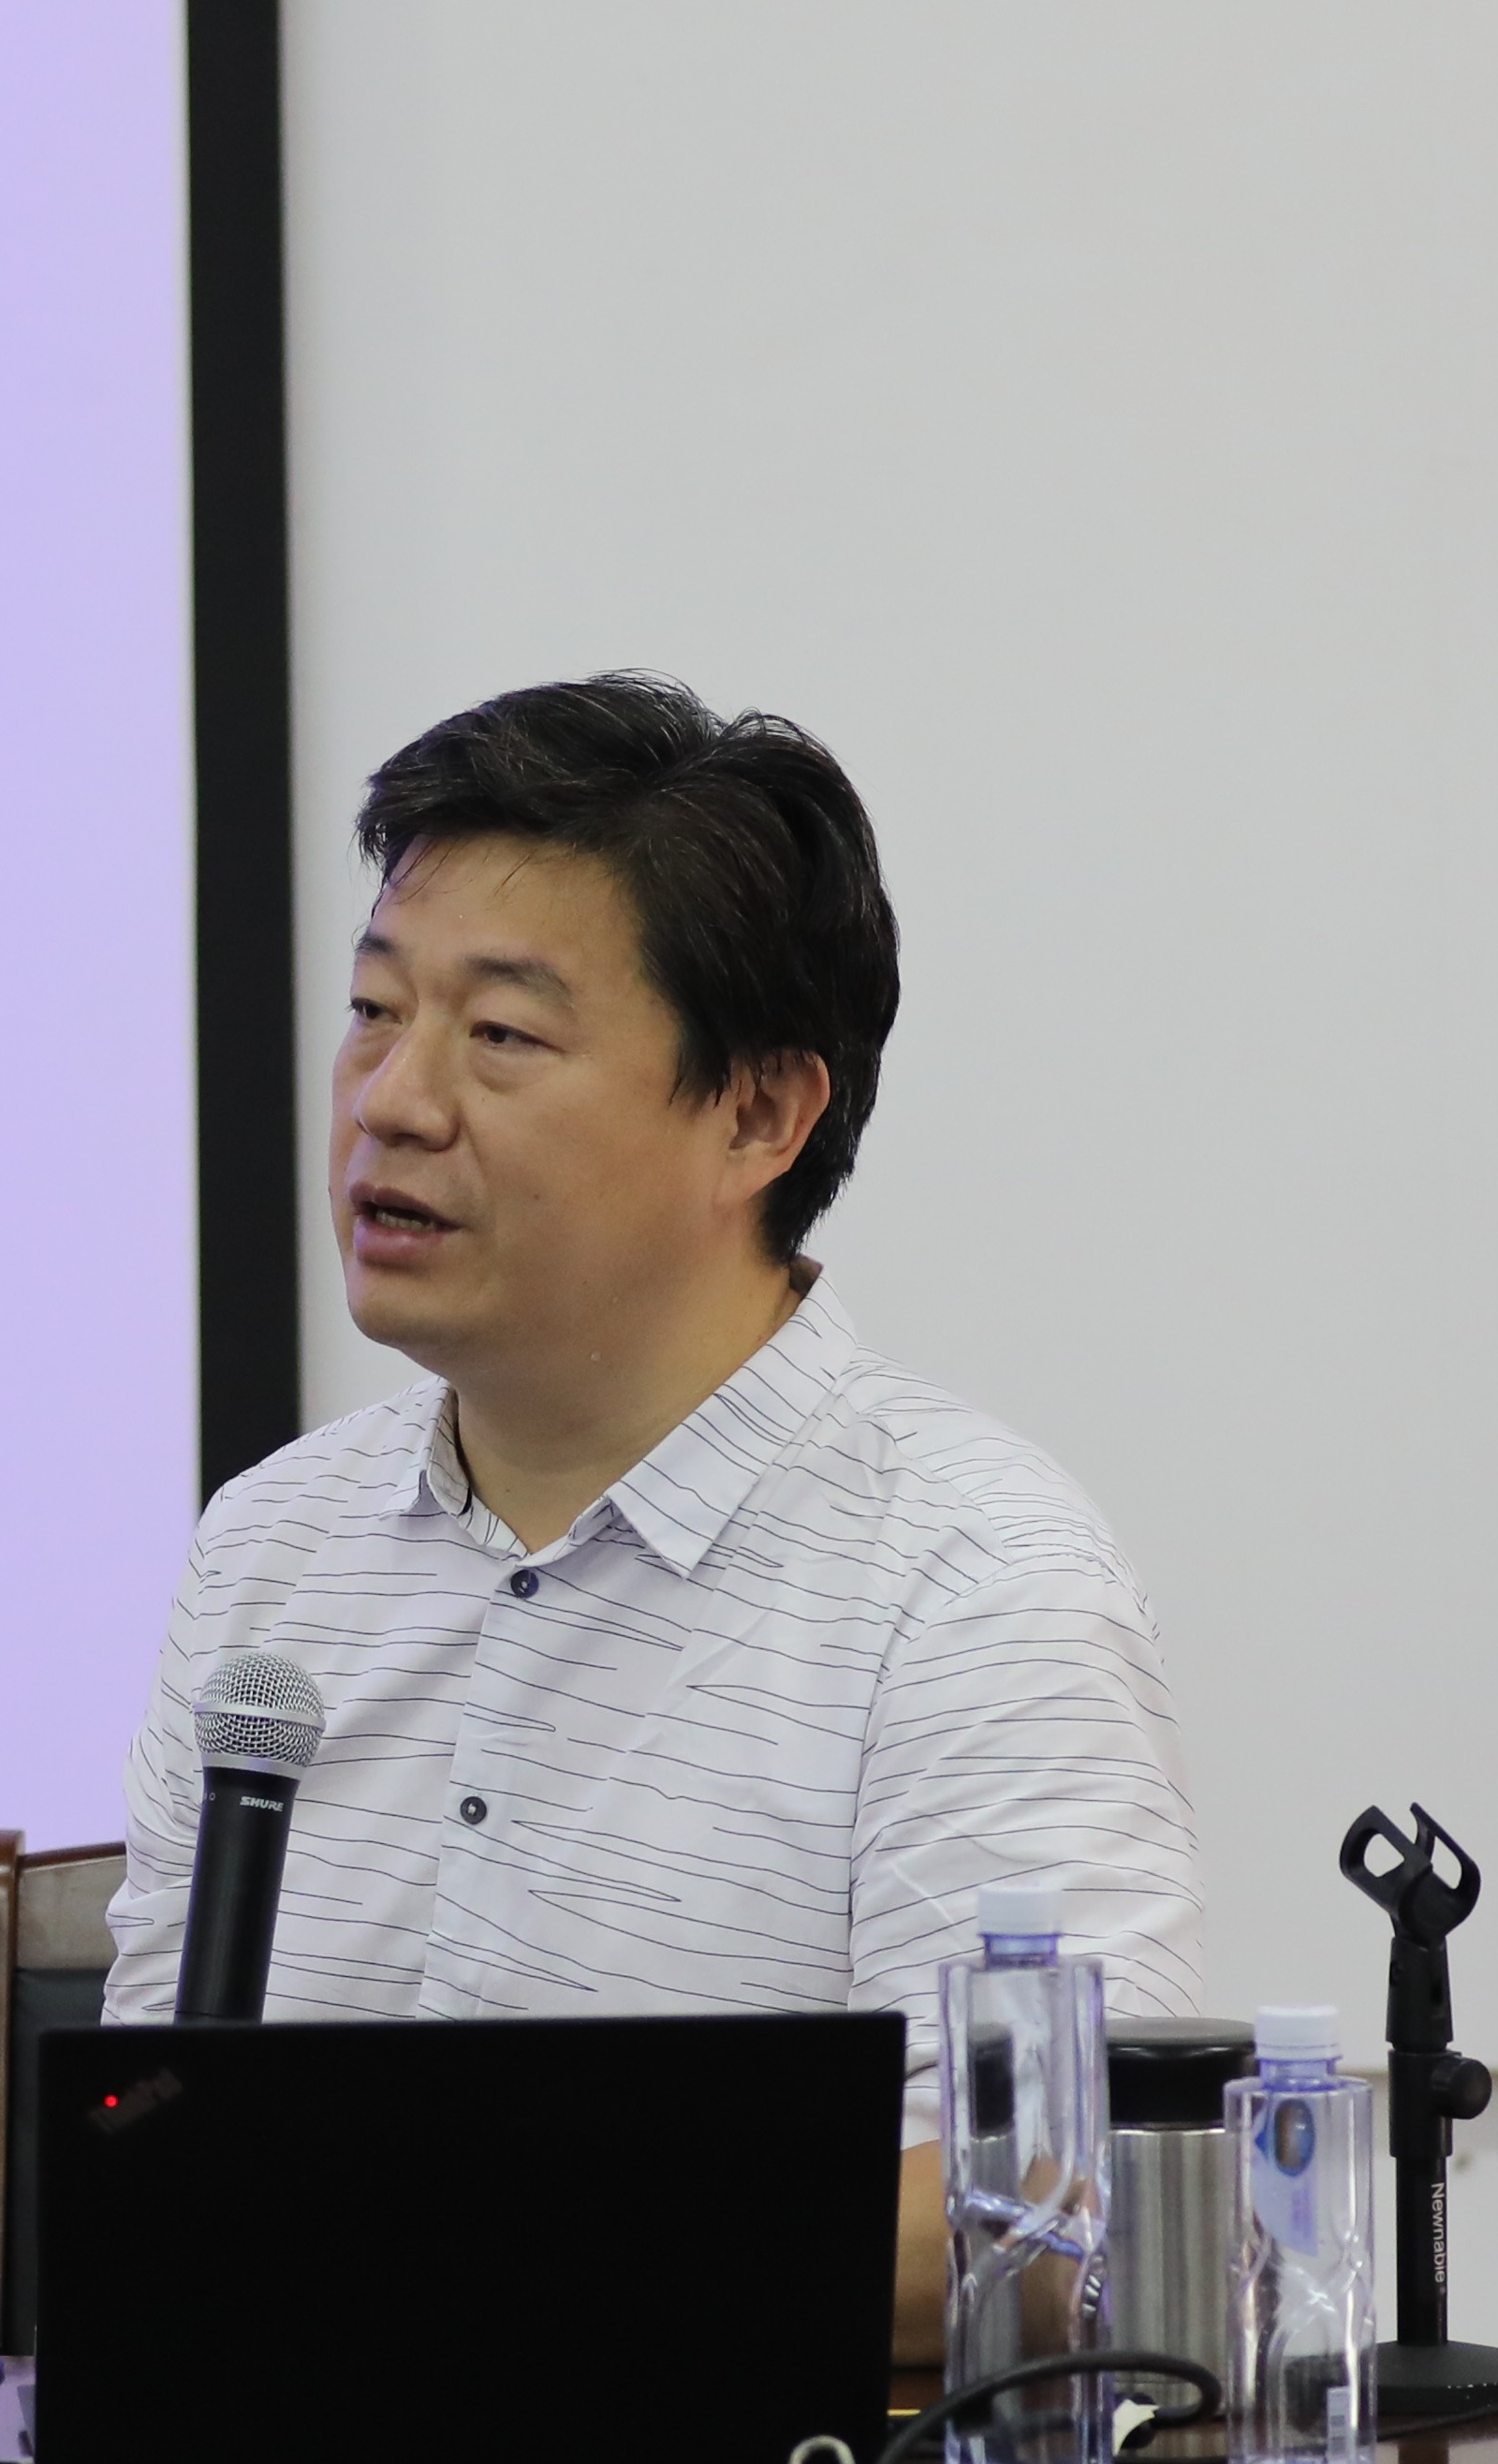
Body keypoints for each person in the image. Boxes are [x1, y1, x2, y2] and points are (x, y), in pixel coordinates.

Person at [103, 673, 1208, 2338]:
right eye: (374, 1009)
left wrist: (469, 2263)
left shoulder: (973, 1577)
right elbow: (146, 2133)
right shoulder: (276, 1542)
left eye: (501, 1036)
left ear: (758, 1113)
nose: (392, 1100)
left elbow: (1050, 2205)